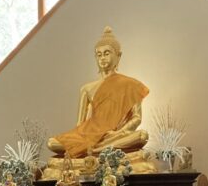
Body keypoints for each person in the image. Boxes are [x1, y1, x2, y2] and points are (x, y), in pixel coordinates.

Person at [47, 26, 149, 159]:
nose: (102, 58)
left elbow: (137, 118)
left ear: (118, 56)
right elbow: (80, 125)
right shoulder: (87, 89)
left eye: (107, 53)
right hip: (88, 136)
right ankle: (98, 150)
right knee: (52, 143)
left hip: (114, 136)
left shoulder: (131, 85)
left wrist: (119, 133)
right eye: (99, 54)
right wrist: (84, 138)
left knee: (142, 136)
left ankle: (92, 151)